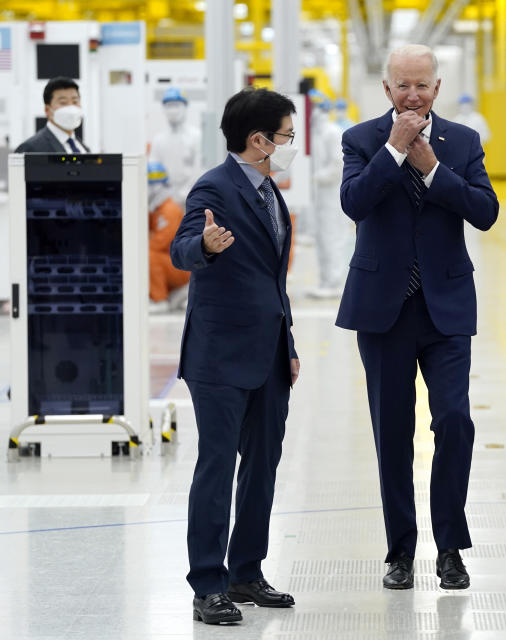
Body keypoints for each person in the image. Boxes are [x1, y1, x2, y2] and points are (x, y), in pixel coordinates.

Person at [337, 44, 499, 591]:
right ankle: (399, 552)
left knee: (454, 422)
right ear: (386, 89)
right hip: (383, 309)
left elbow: (485, 212)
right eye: (402, 85)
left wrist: (431, 168)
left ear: (437, 87)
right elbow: (354, 203)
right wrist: (393, 150)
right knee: (392, 432)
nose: (412, 95)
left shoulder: (463, 141)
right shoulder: (360, 139)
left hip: (445, 308)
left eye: (422, 85)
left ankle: (450, 547)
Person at [170, 88, 300, 624]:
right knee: (218, 466)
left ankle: (246, 570)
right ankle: (208, 583)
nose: (291, 145)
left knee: (263, 466)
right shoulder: (214, 187)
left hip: (268, 354)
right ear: (259, 140)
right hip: (220, 355)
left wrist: (288, 344)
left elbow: (274, 280)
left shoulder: (272, 192)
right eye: (287, 136)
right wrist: (205, 247)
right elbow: (182, 248)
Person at [307, 92, 352, 298]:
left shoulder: (332, 132)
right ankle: (325, 279)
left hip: (331, 194)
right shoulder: (315, 133)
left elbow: (337, 166)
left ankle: (334, 281)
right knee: (322, 237)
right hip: (319, 195)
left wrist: (315, 177)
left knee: (333, 236)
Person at [146, 162, 190, 313]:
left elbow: (161, 242)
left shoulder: (169, 210)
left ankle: (159, 300)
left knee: (149, 255)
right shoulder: (158, 209)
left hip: (182, 269)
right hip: (174, 263)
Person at [149, 87, 203, 207]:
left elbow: (199, 171)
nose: (172, 110)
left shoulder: (196, 136)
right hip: (165, 201)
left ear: (185, 107)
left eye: (176, 105)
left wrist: (182, 195)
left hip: (191, 199)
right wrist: (164, 196)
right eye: (169, 106)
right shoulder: (158, 140)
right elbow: (153, 172)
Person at [15, 76, 90, 153]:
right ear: (47, 110)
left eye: (75, 102)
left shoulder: (83, 148)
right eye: (63, 103)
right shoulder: (30, 148)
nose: (71, 107)